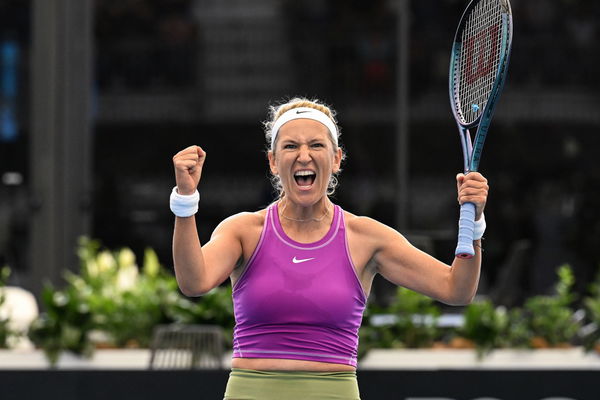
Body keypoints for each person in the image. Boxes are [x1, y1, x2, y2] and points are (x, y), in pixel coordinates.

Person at [170, 97, 488, 400]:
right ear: (273, 161)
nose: (304, 155)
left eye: (316, 145)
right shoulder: (243, 231)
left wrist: (473, 224)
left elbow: (456, 290)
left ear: (336, 159)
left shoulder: (366, 237)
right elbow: (193, 282)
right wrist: (185, 201)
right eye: (291, 146)